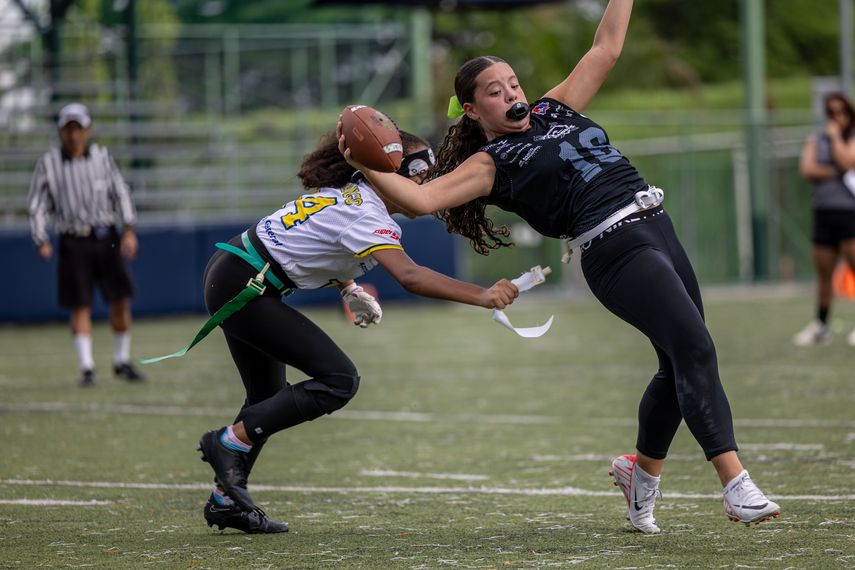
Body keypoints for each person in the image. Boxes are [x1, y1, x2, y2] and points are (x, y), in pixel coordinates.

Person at [339, 0, 780, 534]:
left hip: (656, 226)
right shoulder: (491, 163)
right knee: (696, 348)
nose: (512, 94)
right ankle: (735, 485)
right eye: (495, 91)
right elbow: (420, 201)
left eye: (514, 83)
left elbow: (606, 48)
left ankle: (639, 476)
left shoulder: (554, 108)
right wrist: (364, 162)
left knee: (677, 362)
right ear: (473, 111)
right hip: (614, 249)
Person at [191, 130, 517, 534]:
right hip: (246, 284)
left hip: (236, 270)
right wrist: (482, 294)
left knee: (267, 397)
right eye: (420, 174)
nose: (428, 185)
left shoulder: (352, 193)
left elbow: (311, 241)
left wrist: (348, 286)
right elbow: (410, 277)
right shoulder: (367, 212)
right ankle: (227, 442)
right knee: (339, 380)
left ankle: (226, 501)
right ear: (388, 174)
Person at [28, 102, 145, 387]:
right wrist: (41, 238)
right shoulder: (49, 164)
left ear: (87, 129)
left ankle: (121, 360)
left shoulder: (103, 158)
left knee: (120, 298)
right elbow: (37, 205)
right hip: (73, 239)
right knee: (80, 303)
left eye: (78, 128)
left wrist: (128, 229)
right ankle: (87, 367)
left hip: (106, 237)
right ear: (60, 131)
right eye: (68, 129)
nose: (73, 135)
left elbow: (121, 193)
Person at [792, 92, 855, 347]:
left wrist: (835, 137)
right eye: (831, 112)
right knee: (824, 273)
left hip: (850, 212)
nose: (836, 117)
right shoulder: (815, 139)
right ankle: (821, 324)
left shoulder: (847, 138)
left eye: (841, 111)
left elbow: (848, 160)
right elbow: (807, 169)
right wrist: (837, 171)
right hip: (823, 212)